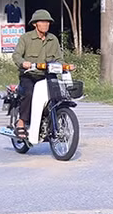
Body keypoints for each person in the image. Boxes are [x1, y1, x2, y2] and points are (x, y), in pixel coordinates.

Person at [11, 9, 70, 139]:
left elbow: (59, 58)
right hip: (30, 75)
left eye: (47, 22)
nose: (45, 24)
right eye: (42, 22)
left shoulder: (52, 39)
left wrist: (65, 66)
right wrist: (23, 63)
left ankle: (54, 121)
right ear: (35, 24)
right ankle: (21, 122)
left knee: (59, 96)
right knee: (29, 93)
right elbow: (16, 55)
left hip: (48, 75)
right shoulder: (26, 38)